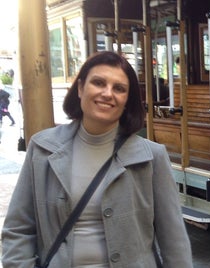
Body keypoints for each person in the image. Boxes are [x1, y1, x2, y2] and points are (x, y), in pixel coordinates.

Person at [1, 51, 193, 267]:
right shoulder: (43, 149)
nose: (107, 93)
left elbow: (174, 239)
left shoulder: (151, 157)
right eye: (99, 83)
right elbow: (19, 229)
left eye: (119, 88)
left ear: (127, 100)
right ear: (81, 88)